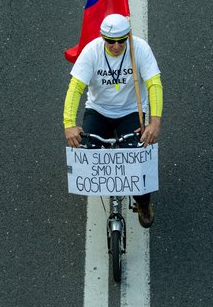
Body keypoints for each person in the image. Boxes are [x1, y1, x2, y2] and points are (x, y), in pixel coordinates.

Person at [63, 14, 163, 228]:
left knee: (137, 157)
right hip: (99, 111)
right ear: (102, 37)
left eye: (121, 40)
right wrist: (69, 124)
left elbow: (154, 84)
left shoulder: (141, 49)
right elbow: (75, 88)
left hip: (131, 111)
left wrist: (154, 122)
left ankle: (143, 202)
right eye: (110, 41)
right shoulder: (91, 51)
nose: (116, 46)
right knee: (87, 152)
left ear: (128, 36)